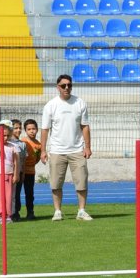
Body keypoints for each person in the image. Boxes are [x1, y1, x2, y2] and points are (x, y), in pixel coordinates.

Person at [40, 74, 93, 221]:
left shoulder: (79, 103)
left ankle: (81, 210)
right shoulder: (50, 105)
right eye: (63, 85)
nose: (67, 88)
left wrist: (87, 147)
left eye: (69, 85)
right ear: (58, 87)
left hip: (77, 150)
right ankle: (57, 211)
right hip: (57, 151)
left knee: (81, 181)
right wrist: (43, 150)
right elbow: (45, 129)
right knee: (56, 183)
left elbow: (85, 126)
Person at [0, 119, 20, 224]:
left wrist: (16, 175)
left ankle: (8, 215)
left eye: (7, 135)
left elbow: (16, 162)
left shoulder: (13, 146)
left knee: (9, 195)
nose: (5, 138)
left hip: (9, 173)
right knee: (0, 195)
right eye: (3, 135)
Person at [19, 118, 41, 220]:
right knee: (16, 193)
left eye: (33, 128)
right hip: (20, 171)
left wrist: (31, 165)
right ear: (25, 131)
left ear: (37, 129)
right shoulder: (22, 141)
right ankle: (15, 212)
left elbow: (37, 158)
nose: (32, 131)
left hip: (30, 172)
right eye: (29, 129)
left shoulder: (38, 144)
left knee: (30, 193)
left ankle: (30, 212)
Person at [8, 119, 28, 221]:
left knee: (17, 194)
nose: (18, 130)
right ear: (11, 129)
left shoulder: (22, 144)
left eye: (20, 128)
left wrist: (23, 173)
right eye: (16, 128)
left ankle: (16, 213)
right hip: (9, 173)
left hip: (18, 173)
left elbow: (23, 161)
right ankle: (8, 213)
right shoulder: (7, 143)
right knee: (9, 194)